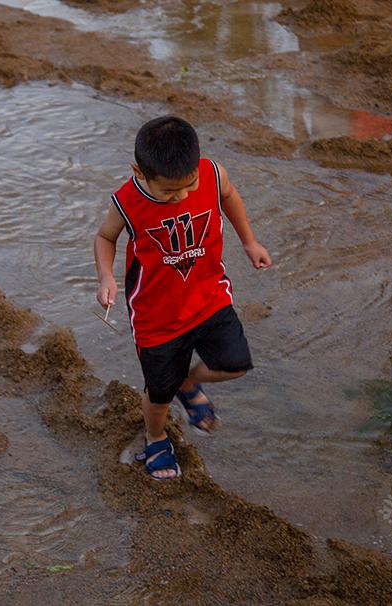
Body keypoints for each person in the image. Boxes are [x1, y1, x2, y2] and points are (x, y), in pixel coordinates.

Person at [92, 115, 272, 480]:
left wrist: (249, 242)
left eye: (188, 187)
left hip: (209, 297)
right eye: (170, 193)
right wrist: (106, 277)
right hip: (156, 319)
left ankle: (188, 384)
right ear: (139, 173)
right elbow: (105, 237)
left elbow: (229, 196)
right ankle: (156, 437)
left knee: (236, 363)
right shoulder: (127, 200)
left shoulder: (211, 173)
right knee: (159, 394)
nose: (182, 196)